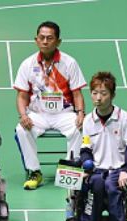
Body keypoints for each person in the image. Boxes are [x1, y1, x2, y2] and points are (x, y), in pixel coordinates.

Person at [14, 21, 87, 190]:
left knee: (80, 128)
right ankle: (35, 172)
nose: (45, 41)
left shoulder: (69, 63)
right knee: (21, 129)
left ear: (58, 42)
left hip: (64, 113)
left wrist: (81, 113)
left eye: (50, 38)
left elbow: (77, 93)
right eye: (42, 38)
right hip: (38, 114)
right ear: (36, 40)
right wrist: (23, 115)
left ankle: (70, 171)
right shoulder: (28, 64)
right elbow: (21, 95)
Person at [75, 72, 127, 221]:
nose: (98, 98)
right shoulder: (88, 120)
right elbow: (85, 148)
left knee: (112, 187)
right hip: (96, 170)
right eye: (94, 93)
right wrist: (87, 165)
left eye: (103, 93)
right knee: (93, 186)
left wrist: (126, 169)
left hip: (118, 169)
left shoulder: (124, 117)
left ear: (112, 95)